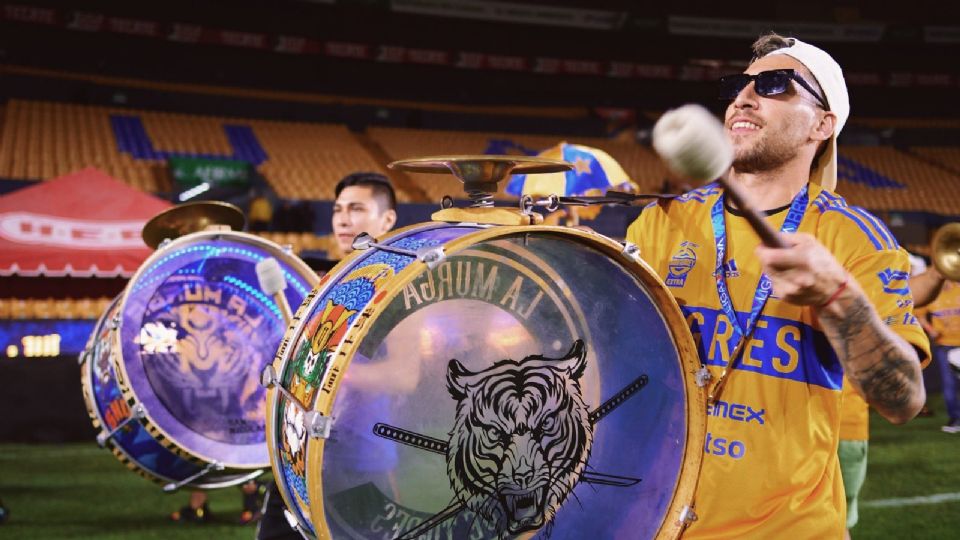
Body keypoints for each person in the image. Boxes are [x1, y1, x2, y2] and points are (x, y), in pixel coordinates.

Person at [626, 33, 928, 537]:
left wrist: (838, 297)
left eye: (773, 85)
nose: (743, 98)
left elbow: (903, 400)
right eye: (738, 85)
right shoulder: (665, 222)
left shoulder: (854, 239)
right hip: (659, 522)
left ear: (823, 123)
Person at [257, 172, 399, 540]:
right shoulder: (327, 283)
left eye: (356, 208)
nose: (343, 219)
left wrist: (330, 374)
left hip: (361, 464)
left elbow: (406, 375)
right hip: (299, 454)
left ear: (387, 220)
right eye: (337, 209)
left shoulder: (398, 289)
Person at [838, 258, 942, 538]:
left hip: (842, 420)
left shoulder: (855, 239)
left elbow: (904, 292)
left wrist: (937, 271)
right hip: (771, 422)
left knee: (835, 525)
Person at [918, 278, 960, 433]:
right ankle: (955, 419)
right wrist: (930, 329)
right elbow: (919, 314)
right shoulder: (933, 293)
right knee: (949, 384)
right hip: (945, 345)